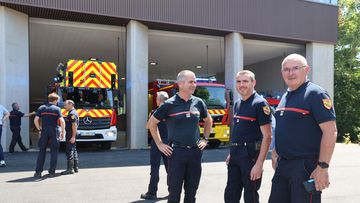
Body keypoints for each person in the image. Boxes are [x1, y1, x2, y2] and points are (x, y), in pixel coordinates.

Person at [268, 53, 337, 203]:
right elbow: (286, 128)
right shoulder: (285, 97)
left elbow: (330, 132)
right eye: (286, 69)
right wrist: (275, 151)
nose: (290, 73)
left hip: (305, 168)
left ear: (306, 70)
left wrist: (323, 167)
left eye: (295, 68)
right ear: (282, 73)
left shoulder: (315, 94)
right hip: (283, 166)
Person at [147, 70, 213, 203]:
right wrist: (160, 144)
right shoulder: (169, 104)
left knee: (191, 194)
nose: (194, 85)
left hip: (195, 153)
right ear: (180, 84)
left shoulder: (199, 102)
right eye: (191, 82)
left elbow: (208, 121)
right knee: (174, 195)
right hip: (176, 153)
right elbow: (151, 124)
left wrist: (205, 139)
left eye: (195, 82)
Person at [224, 70, 272, 203]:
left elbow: (267, 136)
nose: (241, 84)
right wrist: (231, 152)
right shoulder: (239, 103)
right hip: (235, 155)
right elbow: (239, 130)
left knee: (250, 196)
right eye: (239, 81)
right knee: (230, 194)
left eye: (245, 81)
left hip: (251, 156)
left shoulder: (260, 104)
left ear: (253, 82)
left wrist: (259, 164)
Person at [141, 91, 170, 200]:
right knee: (170, 168)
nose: (156, 100)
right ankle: (173, 191)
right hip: (168, 143)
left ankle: (152, 192)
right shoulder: (171, 112)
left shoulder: (154, 112)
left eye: (157, 98)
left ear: (160, 100)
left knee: (154, 168)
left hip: (157, 143)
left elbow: (148, 126)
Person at [34, 93, 65, 178]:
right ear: (55, 100)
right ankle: (51, 172)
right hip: (54, 131)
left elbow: (36, 119)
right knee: (54, 152)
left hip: (44, 130)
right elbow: (62, 121)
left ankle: (38, 172)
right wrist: (62, 132)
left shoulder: (41, 108)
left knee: (42, 151)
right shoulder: (57, 109)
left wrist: (39, 129)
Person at [61, 100, 79, 175]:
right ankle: (75, 168)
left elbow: (74, 125)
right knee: (74, 150)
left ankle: (70, 169)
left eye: (65, 105)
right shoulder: (73, 112)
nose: (64, 106)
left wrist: (73, 136)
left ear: (71, 104)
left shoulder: (72, 114)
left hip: (71, 133)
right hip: (72, 133)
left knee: (69, 151)